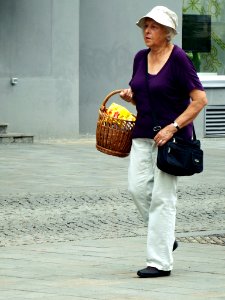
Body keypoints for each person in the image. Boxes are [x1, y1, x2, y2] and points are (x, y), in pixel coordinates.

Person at [120, 6, 208, 278]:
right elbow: (145, 96)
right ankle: (166, 237)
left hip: (171, 139)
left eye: (153, 27)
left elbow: (200, 100)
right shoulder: (139, 58)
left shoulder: (179, 58)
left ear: (167, 32)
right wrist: (130, 98)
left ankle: (159, 262)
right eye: (145, 26)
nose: (147, 31)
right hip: (143, 133)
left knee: (162, 198)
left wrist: (173, 127)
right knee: (136, 189)